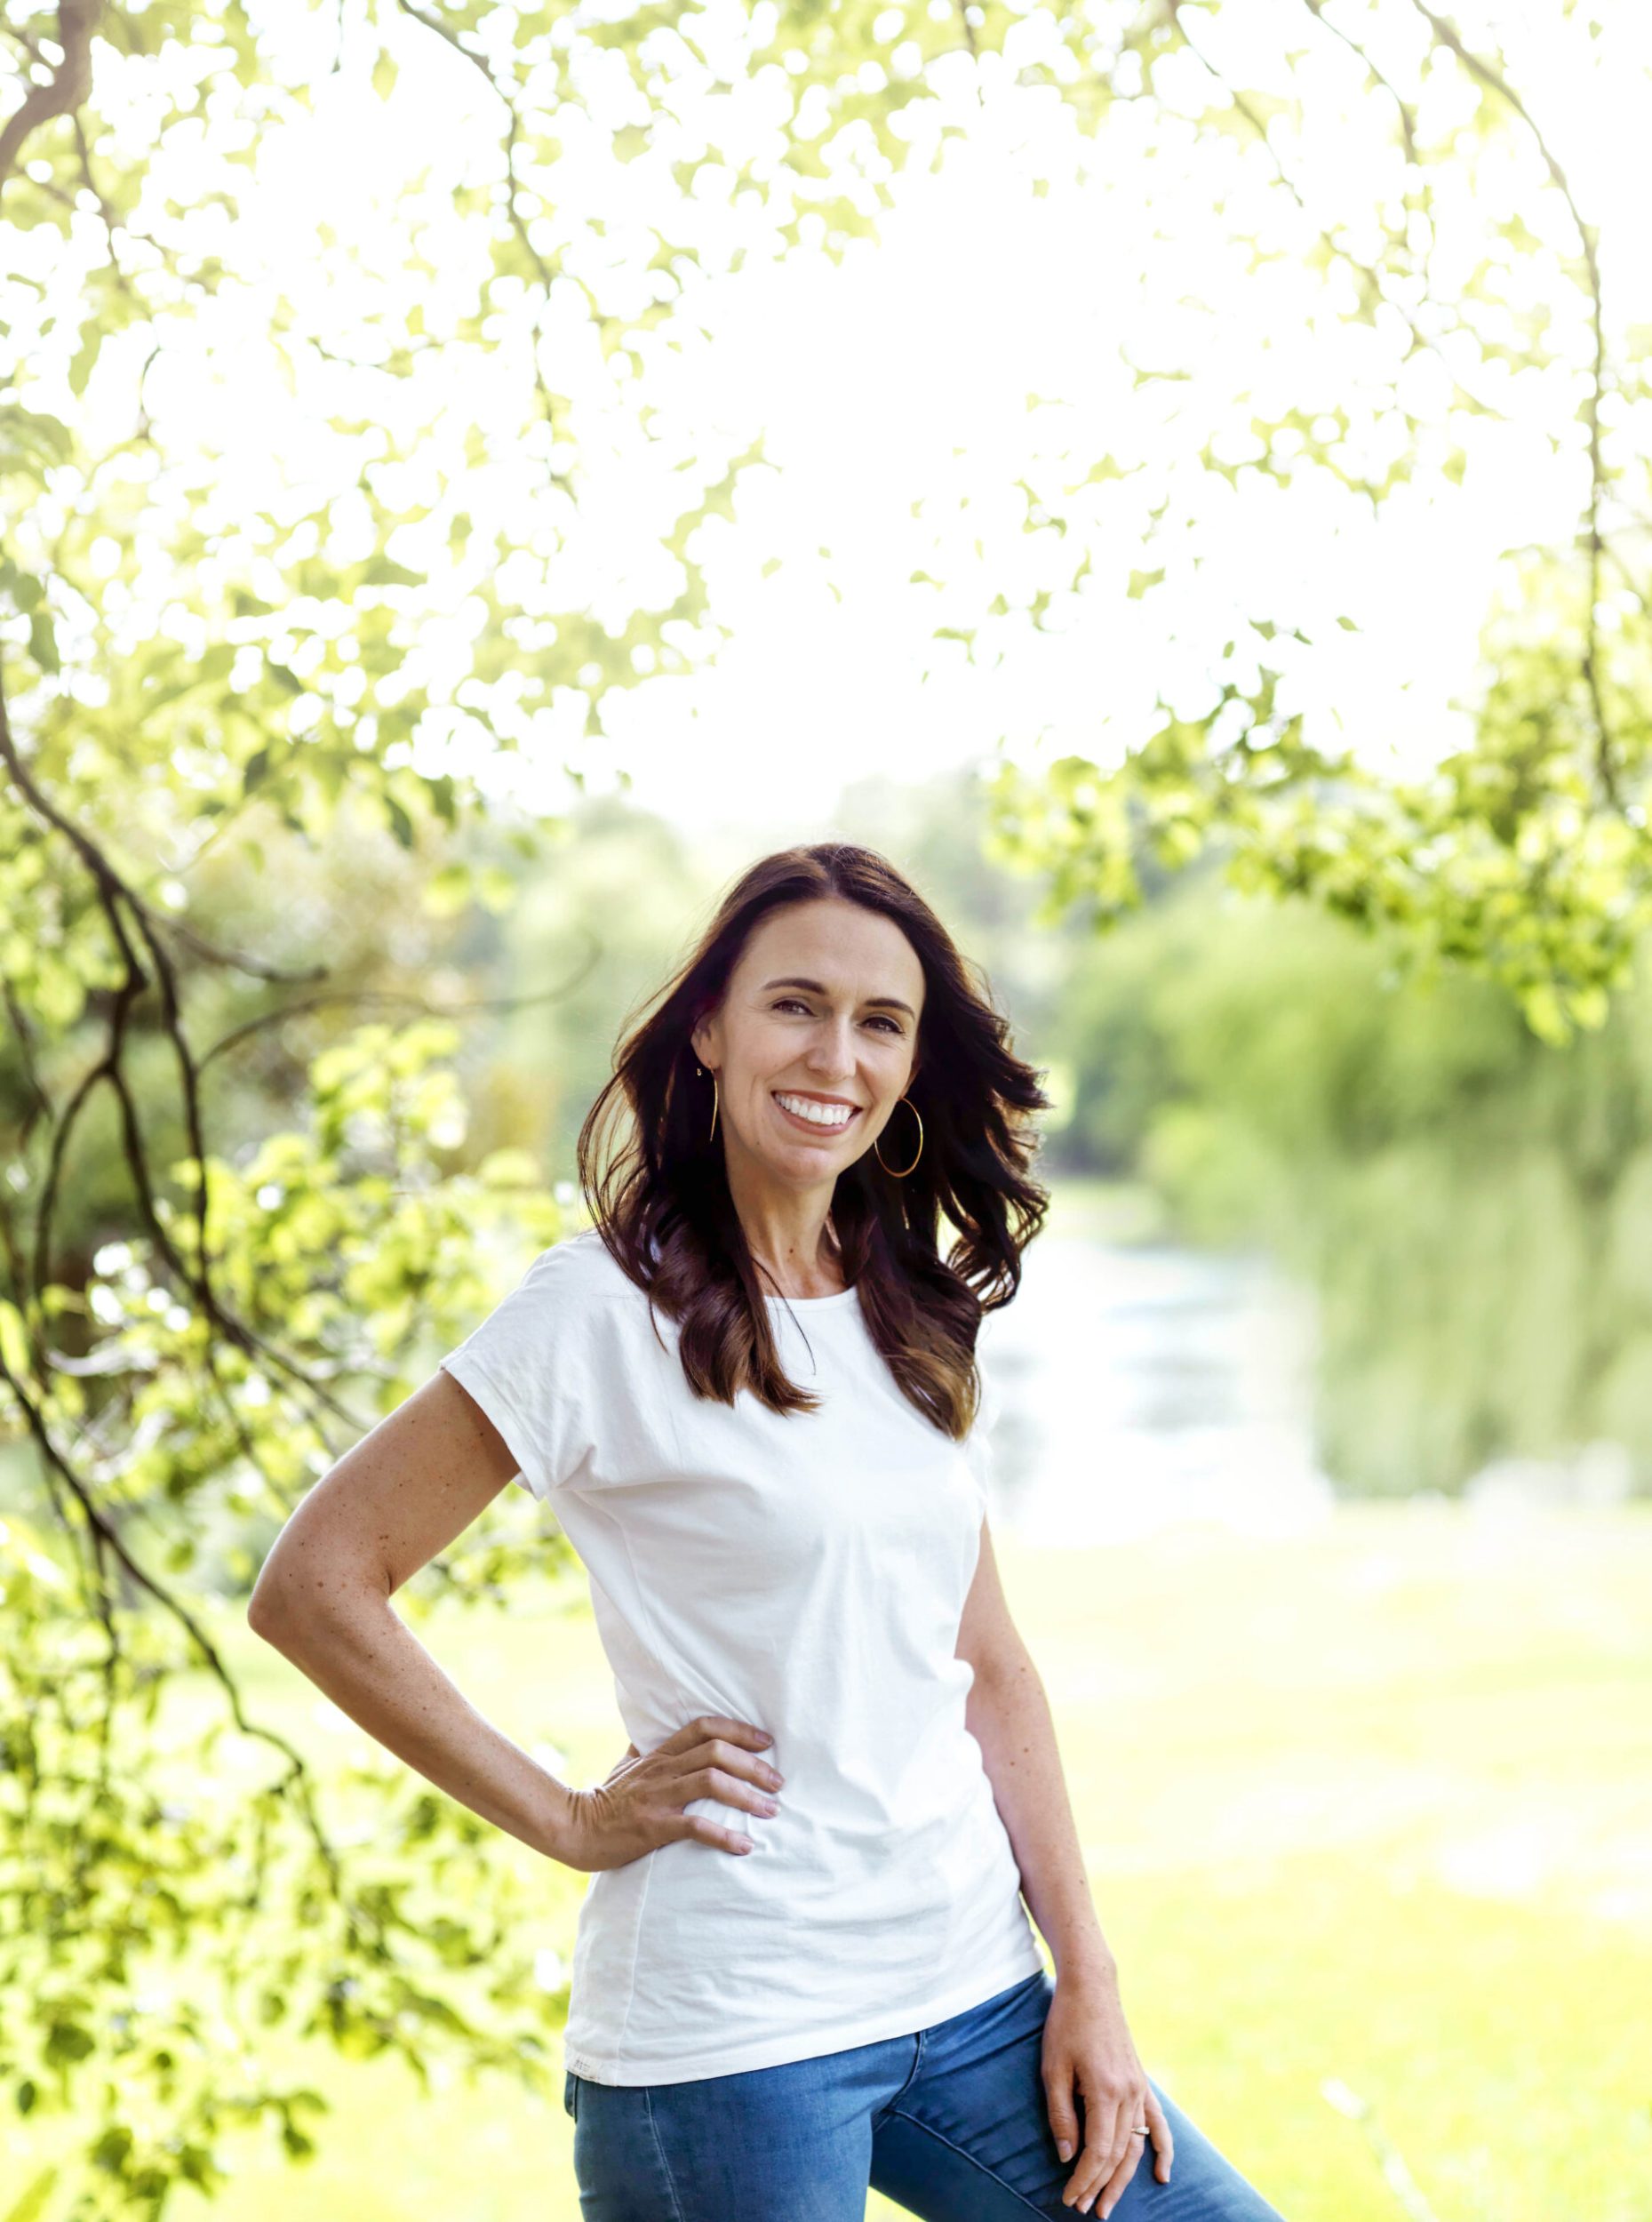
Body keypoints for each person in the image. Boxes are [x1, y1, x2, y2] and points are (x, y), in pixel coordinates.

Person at [248, 842, 1289, 2222]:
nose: (835, 1056)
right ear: (712, 1030)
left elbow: (988, 1665)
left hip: (973, 1989)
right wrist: (566, 1817)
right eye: (795, 1004)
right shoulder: (598, 1314)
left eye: (880, 1022)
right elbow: (318, 1583)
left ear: (912, 1064)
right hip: (733, 2033)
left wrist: (1087, 1978)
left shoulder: (906, 1302)